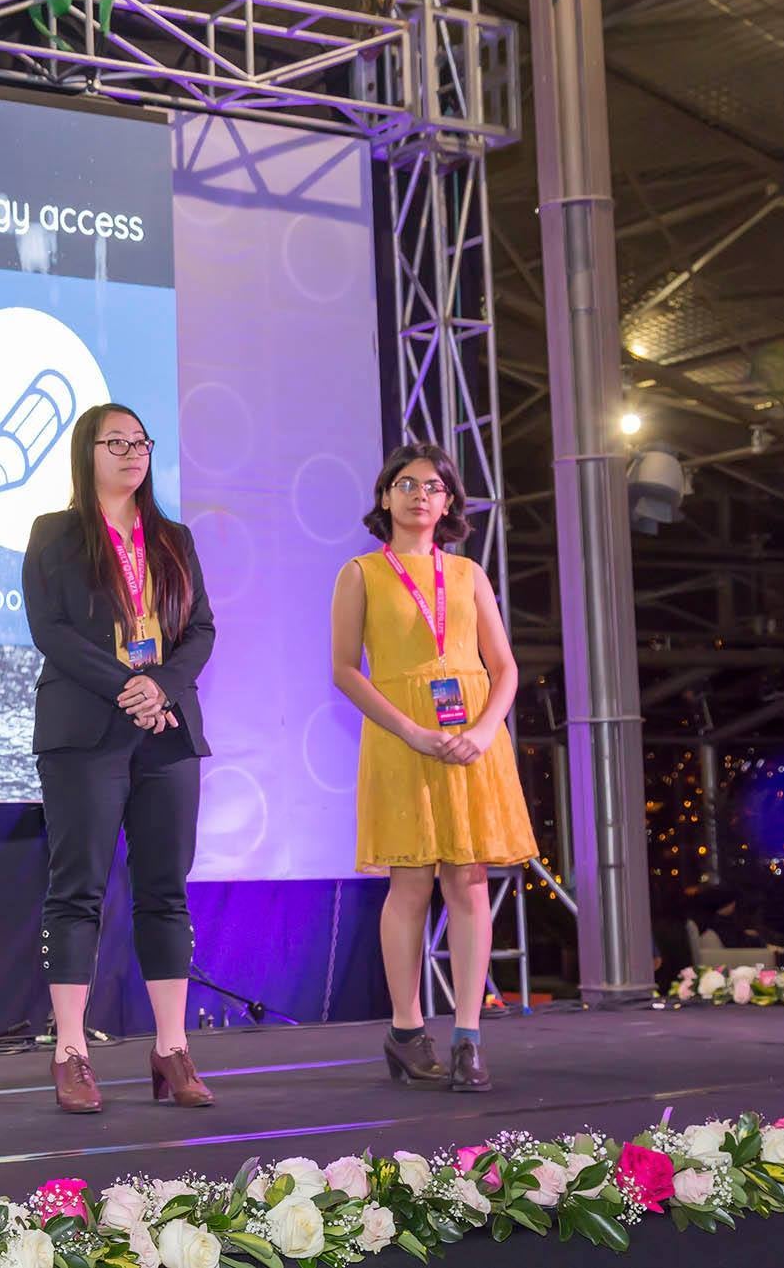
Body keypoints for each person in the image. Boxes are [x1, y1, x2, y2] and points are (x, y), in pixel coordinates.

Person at [23, 403, 216, 1114]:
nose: (132, 452)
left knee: (165, 889)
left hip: (166, 731)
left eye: (141, 441)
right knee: (77, 889)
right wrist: (127, 684)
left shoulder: (173, 538)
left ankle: (171, 1045)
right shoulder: (55, 535)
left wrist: (159, 684)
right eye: (116, 441)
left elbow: (199, 629)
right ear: (87, 453)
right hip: (84, 731)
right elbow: (52, 630)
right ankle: (69, 1049)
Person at [329, 442, 537, 1092]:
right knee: (411, 879)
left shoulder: (470, 573)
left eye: (434, 485)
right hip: (401, 737)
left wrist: (481, 730)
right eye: (406, 483)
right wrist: (412, 728)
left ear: (448, 502)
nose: (421, 494)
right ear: (384, 496)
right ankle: (406, 1029)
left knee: (468, 878)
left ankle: (468, 1036)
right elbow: (341, 670)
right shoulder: (360, 572)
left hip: (472, 739)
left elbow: (504, 668)